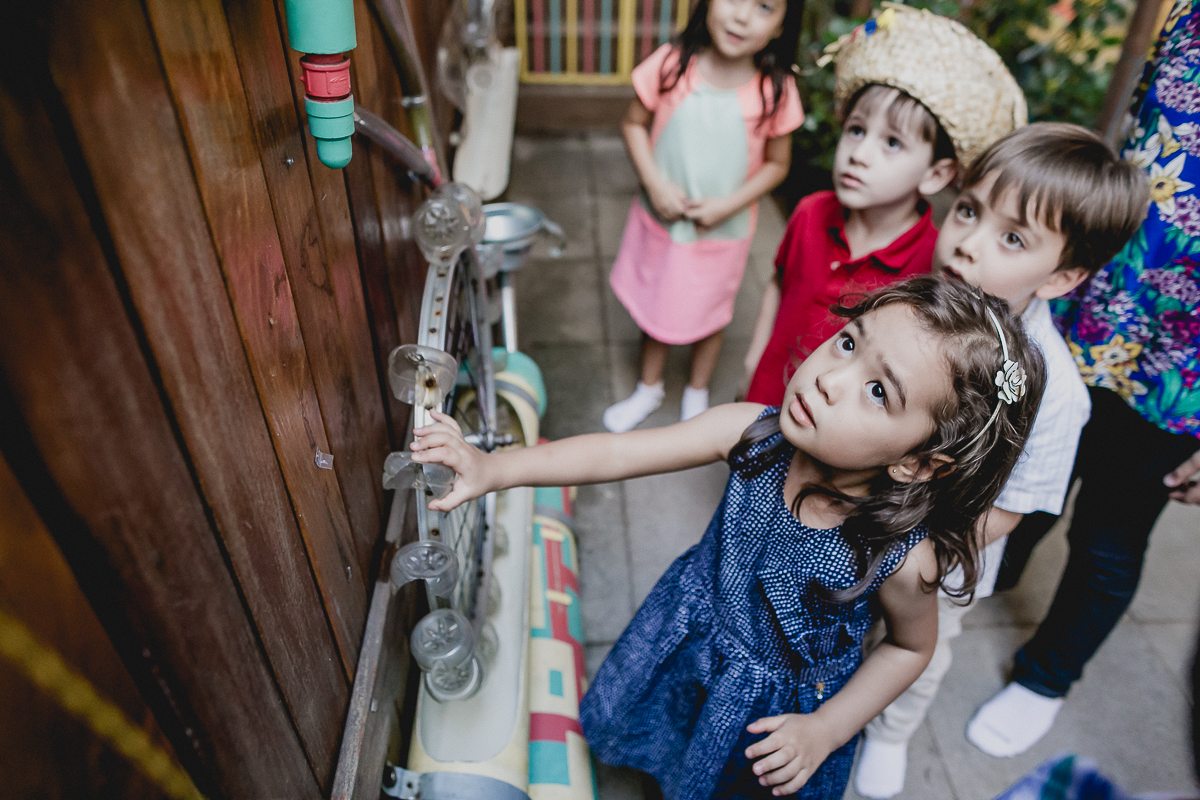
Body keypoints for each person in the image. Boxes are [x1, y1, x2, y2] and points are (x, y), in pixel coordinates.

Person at [409, 277, 1046, 800]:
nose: (830, 377)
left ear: (917, 462)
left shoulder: (904, 558)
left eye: (879, 392)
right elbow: (614, 454)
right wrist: (495, 469)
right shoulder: (752, 433)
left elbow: (909, 649)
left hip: (774, 710)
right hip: (691, 635)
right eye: (849, 343)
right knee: (668, 741)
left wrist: (826, 729)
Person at [852, 123, 1150, 798]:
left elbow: (1011, 508)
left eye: (1012, 238)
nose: (967, 242)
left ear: (1065, 276)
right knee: (844, 622)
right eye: (968, 210)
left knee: (913, 649)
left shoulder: (1051, 392)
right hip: (866, 513)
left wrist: (914, 547)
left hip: (940, 552)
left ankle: (890, 732)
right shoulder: (921, 301)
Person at [968, 0, 1200, 758]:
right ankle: (989, 577)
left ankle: (1046, 675)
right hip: (1086, 302)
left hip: (1182, 367)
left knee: (1110, 536)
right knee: (1026, 478)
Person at [742, 4, 1027, 407]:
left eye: (892, 143)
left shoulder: (935, 263)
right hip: (767, 395)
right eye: (856, 130)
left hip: (840, 429)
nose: (859, 154)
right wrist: (754, 362)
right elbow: (778, 281)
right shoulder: (809, 212)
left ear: (936, 175)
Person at [601, 0, 805, 432]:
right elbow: (633, 124)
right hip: (662, 223)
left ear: (782, 25)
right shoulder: (673, 63)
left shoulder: (776, 90)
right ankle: (649, 387)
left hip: (722, 232)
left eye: (764, 7)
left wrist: (726, 205)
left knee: (710, 312)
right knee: (657, 303)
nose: (741, 16)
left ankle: (697, 391)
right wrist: (655, 184)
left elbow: (777, 164)